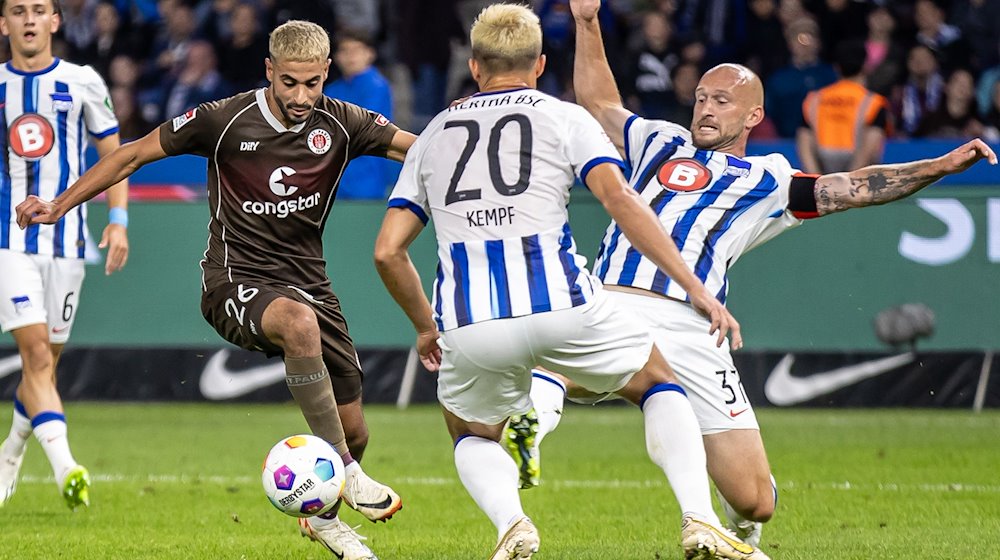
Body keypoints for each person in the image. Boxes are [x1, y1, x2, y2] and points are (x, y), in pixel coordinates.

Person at [507, 0, 997, 550]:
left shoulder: (770, 179)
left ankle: (737, 535)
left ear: (753, 117)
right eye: (700, 99)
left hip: (695, 326)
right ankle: (530, 423)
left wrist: (936, 166)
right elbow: (599, 104)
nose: (705, 109)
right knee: (563, 369)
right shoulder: (658, 142)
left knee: (754, 499)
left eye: (721, 100)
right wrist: (588, 22)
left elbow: (859, 185)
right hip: (616, 301)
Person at [373, 4, 767, 560]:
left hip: (469, 321)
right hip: (565, 303)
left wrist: (423, 327)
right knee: (658, 382)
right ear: (539, 64)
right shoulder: (563, 117)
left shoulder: (435, 133)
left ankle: (513, 523)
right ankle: (698, 518)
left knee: (470, 433)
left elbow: (388, 252)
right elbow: (620, 199)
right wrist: (696, 288)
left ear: (475, 66)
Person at [16, 19, 415, 560]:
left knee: (351, 427)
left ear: (326, 75)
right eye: (290, 83)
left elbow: (421, 150)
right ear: (269, 71)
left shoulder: (343, 122)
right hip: (233, 280)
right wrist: (59, 206)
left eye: (313, 84)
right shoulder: (224, 120)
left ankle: (326, 520)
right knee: (299, 326)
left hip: (309, 282)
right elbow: (132, 153)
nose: (302, 97)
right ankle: (349, 472)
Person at [0, 0, 130, 511]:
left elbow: (115, 155)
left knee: (44, 371)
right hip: (9, 242)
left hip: (68, 244)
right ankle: (67, 468)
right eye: (17, 10)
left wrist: (118, 221)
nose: (29, 20)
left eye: (38, 10)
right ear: (3, 22)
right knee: (33, 356)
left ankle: (9, 454)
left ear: (55, 21)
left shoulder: (82, 82)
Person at [323, 29, 399, 200]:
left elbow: (363, 127)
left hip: (366, 177)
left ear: (370, 54)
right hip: (334, 175)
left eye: (356, 50)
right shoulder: (331, 89)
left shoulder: (377, 86)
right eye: (345, 50)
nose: (350, 56)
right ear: (336, 57)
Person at [796, 39, 892, 174]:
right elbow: (871, 143)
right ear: (865, 65)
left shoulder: (814, 99)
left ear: (836, 67)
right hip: (857, 175)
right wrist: (849, 181)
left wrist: (815, 178)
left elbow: (804, 139)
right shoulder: (874, 102)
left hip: (822, 169)